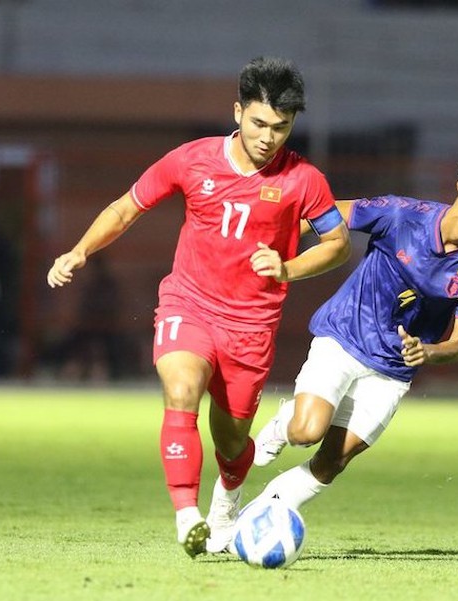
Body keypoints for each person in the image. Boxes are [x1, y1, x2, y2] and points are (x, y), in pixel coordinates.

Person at [46, 56, 352, 557]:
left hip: (251, 324)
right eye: (258, 123)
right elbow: (127, 207)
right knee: (182, 388)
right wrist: (80, 250)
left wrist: (288, 268)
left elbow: (337, 245)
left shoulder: (304, 180)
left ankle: (226, 506)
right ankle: (187, 515)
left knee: (232, 443)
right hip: (189, 303)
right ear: (237, 111)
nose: (268, 136)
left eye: (281, 127)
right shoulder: (191, 159)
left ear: (293, 123)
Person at [250, 141, 458, 512]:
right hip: (345, 336)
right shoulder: (400, 215)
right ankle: (286, 422)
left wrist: (426, 351)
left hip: (393, 370)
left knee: (331, 462)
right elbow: (322, 216)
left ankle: (264, 515)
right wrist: (276, 249)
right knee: (306, 432)